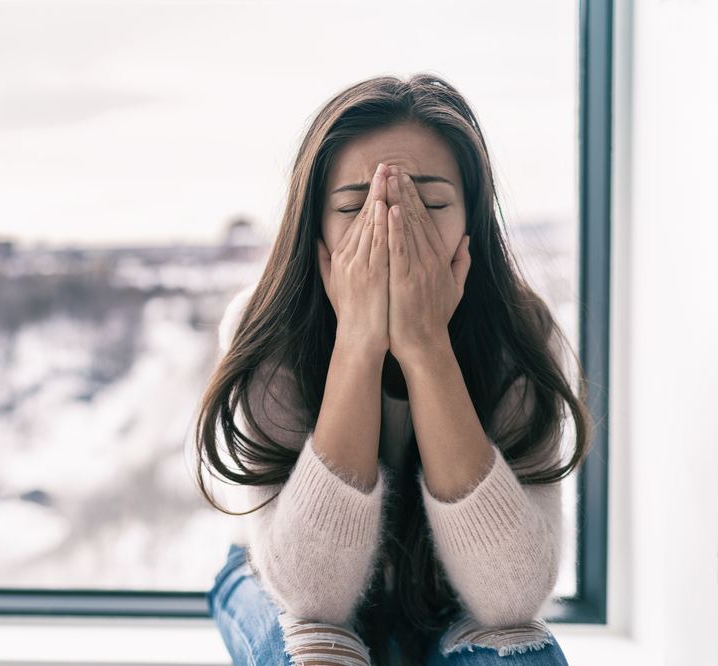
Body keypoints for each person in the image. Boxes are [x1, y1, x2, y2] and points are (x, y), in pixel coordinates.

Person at [194, 74, 590, 666]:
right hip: (274, 571)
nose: (393, 232)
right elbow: (311, 594)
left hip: (446, 588)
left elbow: (511, 597)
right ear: (315, 229)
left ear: (473, 220)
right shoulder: (266, 325)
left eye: (430, 205)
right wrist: (357, 342)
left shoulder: (520, 330)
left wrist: (427, 345)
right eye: (355, 208)